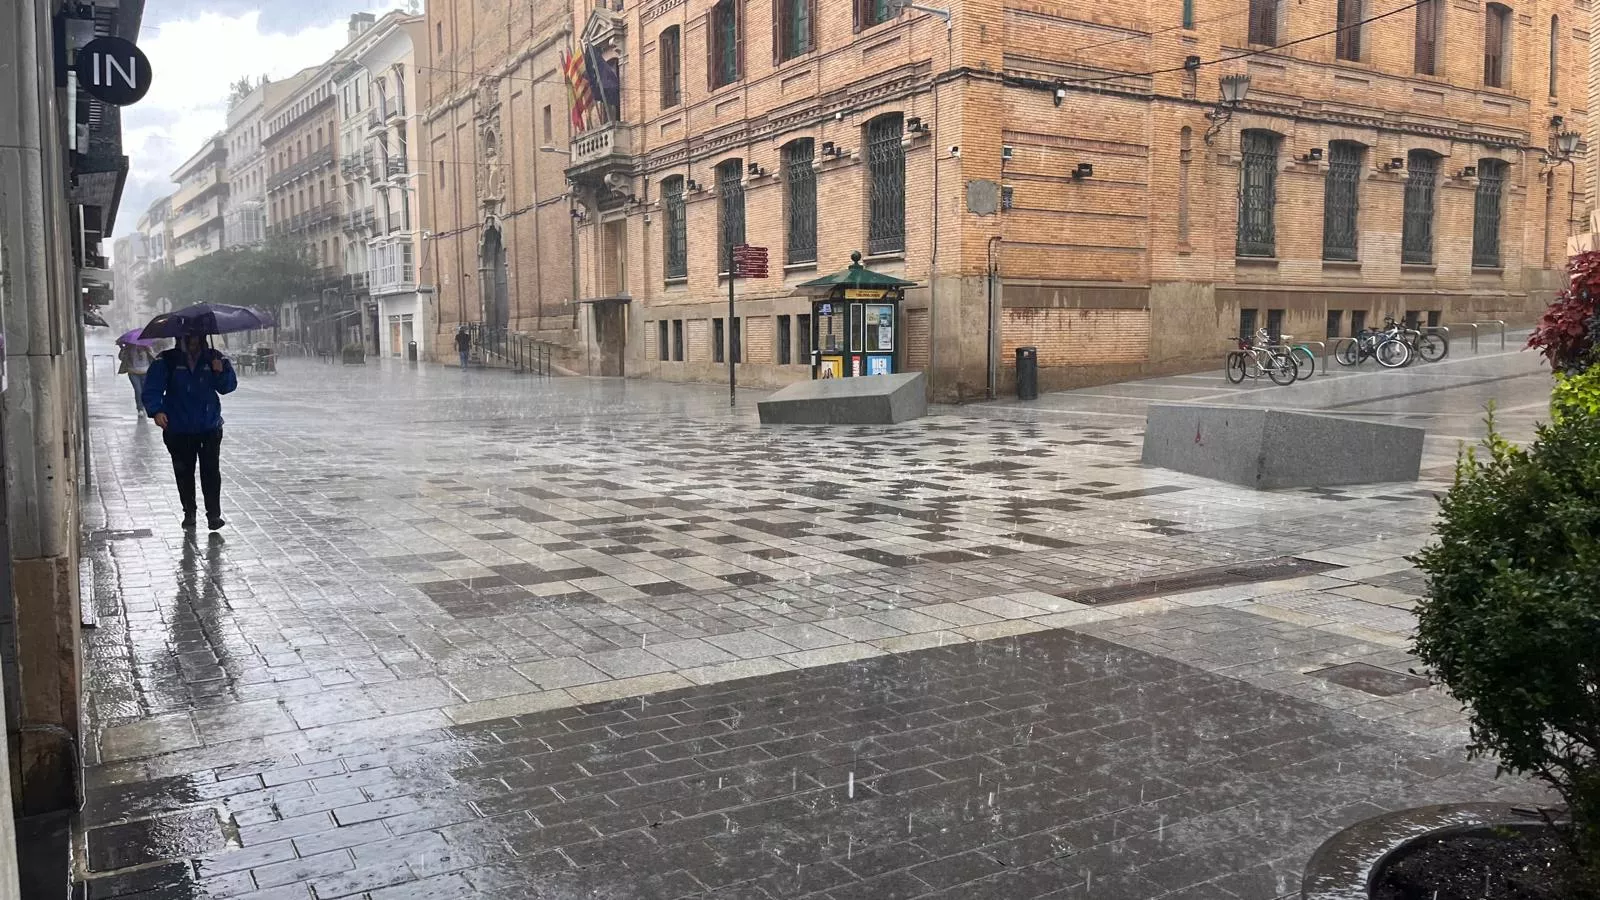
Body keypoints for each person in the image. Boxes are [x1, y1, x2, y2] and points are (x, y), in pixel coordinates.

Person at [142, 334, 237, 531]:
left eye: (197, 335)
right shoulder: (167, 360)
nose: (194, 341)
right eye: (190, 337)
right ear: (181, 338)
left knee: (210, 471)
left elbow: (227, 387)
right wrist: (156, 410)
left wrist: (220, 372)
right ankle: (189, 512)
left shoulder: (214, 358)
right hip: (178, 426)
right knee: (184, 472)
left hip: (208, 425)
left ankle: (214, 515)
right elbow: (153, 387)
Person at [117, 341, 154, 417]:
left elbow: (154, 356)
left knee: (144, 391)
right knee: (138, 390)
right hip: (133, 372)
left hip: (145, 372)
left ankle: (144, 406)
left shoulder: (146, 347)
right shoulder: (129, 348)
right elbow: (121, 358)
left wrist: (149, 349)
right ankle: (140, 409)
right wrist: (122, 349)